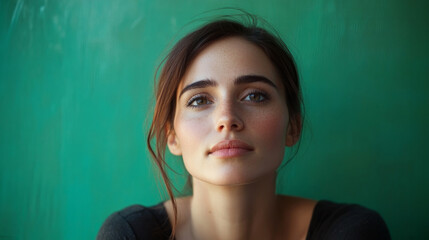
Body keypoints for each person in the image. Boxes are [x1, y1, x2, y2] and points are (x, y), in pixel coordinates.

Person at [97, 14, 391, 240]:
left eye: (255, 96)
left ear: (293, 126)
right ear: (171, 135)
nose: (227, 118)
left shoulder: (352, 231)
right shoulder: (131, 234)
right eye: (199, 100)